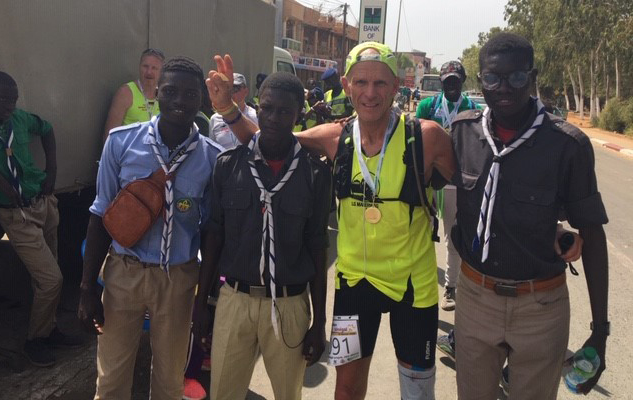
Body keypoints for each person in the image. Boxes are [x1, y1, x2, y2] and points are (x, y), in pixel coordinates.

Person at [206, 41, 455, 400]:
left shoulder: (427, 137)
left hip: (413, 289)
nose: (370, 93)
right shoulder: (335, 138)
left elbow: (469, 188)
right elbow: (269, 138)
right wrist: (228, 109)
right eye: (361, 82)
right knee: (346, 390)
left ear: (396, 86)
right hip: (355, 288)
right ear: (347, 84)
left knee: (417, 391)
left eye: (380, 83)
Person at [450, 32, 608, 399]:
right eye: (493, 78)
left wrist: (600, 331)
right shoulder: (462, 133)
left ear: (532, 77)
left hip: (541, 308)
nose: (504, 88)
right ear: (480, 79)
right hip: (475, 299)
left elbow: (593, 233)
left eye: (517, 77)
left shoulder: (567, 145)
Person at [77, 56, 222, 400]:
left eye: (190, 94)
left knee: (169, 382)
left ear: (201, 101)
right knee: (111, 380)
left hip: (178, 278)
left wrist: (203, 302)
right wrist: (86, 288)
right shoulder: (121, 143)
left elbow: (211, 232)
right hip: (124, 272)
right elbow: (99, 215)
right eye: (170, 91)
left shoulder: (213, 158)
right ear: (156, 92)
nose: (179, 101)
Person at [195, 71, 331, 400]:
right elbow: (214, 239)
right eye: (267, 108)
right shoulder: (228, 166)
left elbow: (317, 247)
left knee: (288, 394)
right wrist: (200, 306)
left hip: (289, 305)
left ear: (298, 114)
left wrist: (319, 322)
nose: (273, 118)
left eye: (285, 111)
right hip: (234, 300)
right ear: (258, 107)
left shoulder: (315, 174)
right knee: (223, 392)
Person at [0, 71, 82, 367]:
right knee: (51, 280)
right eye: (3, 99)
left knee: (48, 274)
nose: (10, 105)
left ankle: (50, 329)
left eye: (14, 99)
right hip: (16, 215)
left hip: (43, 203)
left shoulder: (19, 119)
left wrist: (52, 170)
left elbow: (47, 129)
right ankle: (34, 342)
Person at [416, 60, 480, 311]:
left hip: (456, 181)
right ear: (442, 83)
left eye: (456, 81)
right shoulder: (427, 106)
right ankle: (417, 283)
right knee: (419, 234)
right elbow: (415, 144)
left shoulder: (473, 109)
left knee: (452, 237)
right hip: (428, 182)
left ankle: (450, 287)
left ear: (462, 82)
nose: (452, 86)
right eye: (447, 82)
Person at [102, 48, 165, 141]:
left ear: (161, 72)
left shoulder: (164, 96)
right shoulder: (126, 93)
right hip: (128, 149)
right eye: (145, 66)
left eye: (154, 68)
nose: (149, 72)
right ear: (139, 67)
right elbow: (109, 136)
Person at [209, 73, 257, 149]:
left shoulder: (256, 116)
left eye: (235, 89)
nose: (231, 93)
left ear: (246, 91)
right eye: (227, 89)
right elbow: (212, 147)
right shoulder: (215, 119)